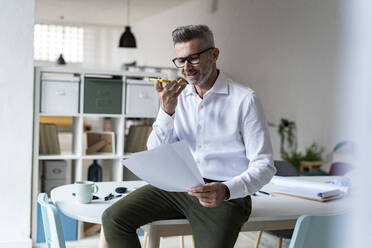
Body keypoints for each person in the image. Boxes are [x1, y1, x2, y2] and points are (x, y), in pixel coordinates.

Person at [102, 24, 276, 248]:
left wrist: (226, 190)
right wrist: (166, 112)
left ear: (214, 54)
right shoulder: (176, 97)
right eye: (180, 60)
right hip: (179, 188)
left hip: (225, 194)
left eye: (193, 58)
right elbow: (155, 151)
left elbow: (264, 165)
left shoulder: (245, 99)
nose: (186, 68)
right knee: (113, 219)